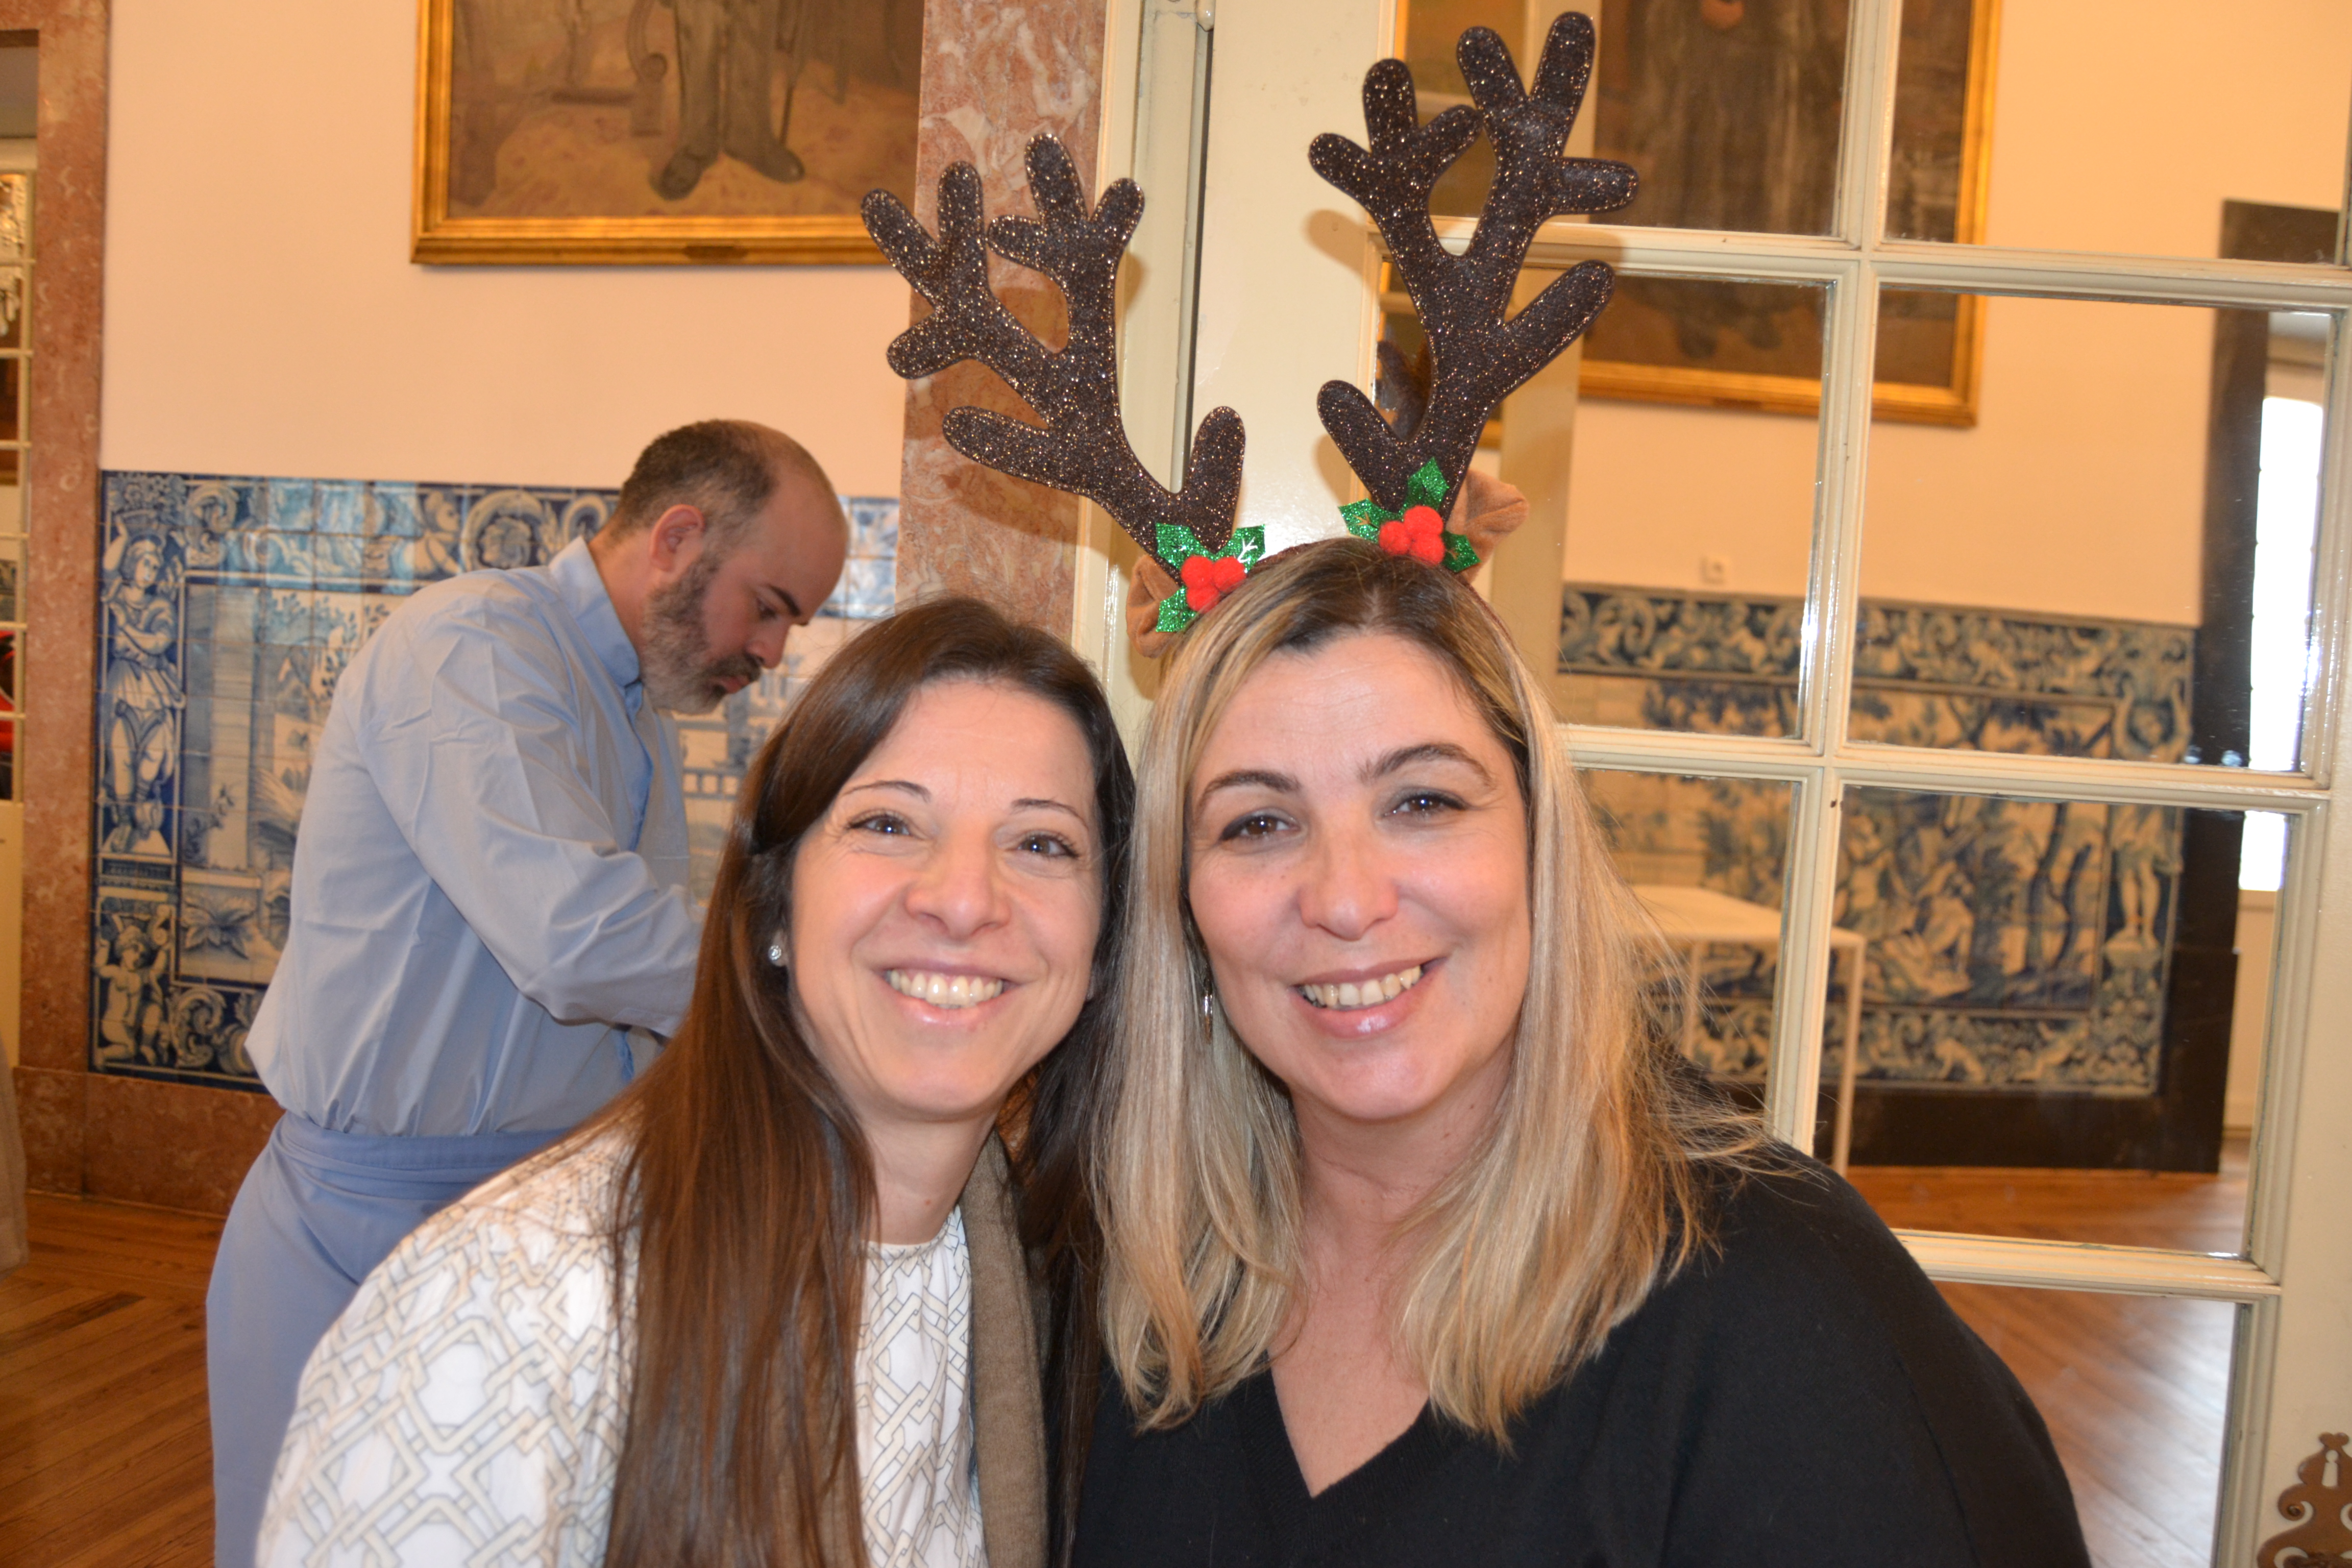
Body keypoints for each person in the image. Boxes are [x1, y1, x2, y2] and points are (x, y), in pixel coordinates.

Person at [1074, 539, 2092, 1566]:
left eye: (1423, 802)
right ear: (1185, 904)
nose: (1345, 899)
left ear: (1540, 839)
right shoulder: (1141, 1288)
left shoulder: (1782, 1308)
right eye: (1257, 823)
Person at [258, 597, 1130, 1568]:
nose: (964, 900)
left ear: (1103, 947)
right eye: (888, 823)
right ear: (773, 907)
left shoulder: (1040, 1283)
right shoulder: (507, 1308)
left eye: (1042, 843)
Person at [208, 420, 849, 1568]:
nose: (770, 650)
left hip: (529, 1228)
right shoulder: (472, 646)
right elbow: (578, 940)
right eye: (768, 608)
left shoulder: (633, 711)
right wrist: (817, 982)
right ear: (678, 539)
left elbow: (641, 1009)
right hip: (367, 1232)